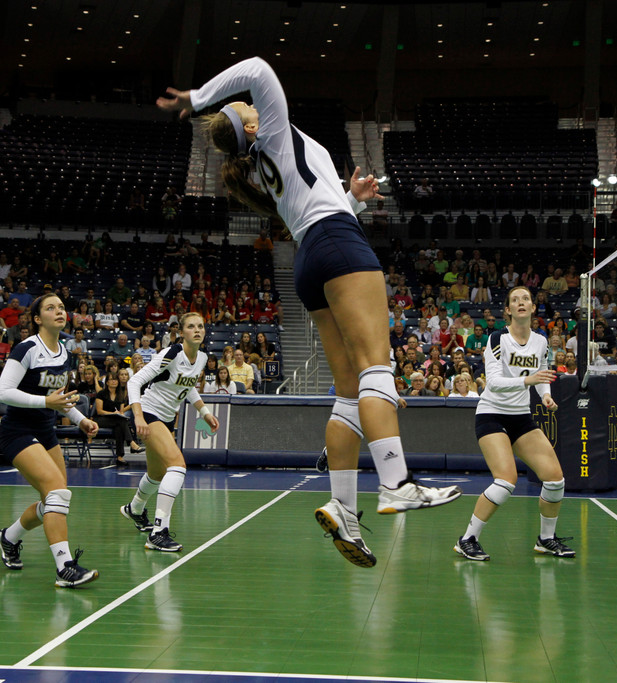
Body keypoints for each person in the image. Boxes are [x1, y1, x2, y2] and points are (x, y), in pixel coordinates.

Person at [157, 57, 460, 568]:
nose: (248, 102)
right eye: (242, 107)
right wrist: (200, 97)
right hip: (336, 245)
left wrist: (353, 201)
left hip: (311, 254)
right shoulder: (269, 128)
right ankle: (396, 484)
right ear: (250, 125)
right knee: (376, 369)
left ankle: (344, 507)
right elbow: (255, 67)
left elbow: (315, 207)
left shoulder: (259, 159)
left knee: (348, 390)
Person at [454, 286, 574, 562]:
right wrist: (529, 381)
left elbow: (542, 376)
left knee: (555, 479)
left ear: (533, 307)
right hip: (492, 414)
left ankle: (545, 539)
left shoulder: (541, 341)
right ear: (508, 310)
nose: (521, 303)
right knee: (506, 480)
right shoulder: (498, 338)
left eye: (526, 299)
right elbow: (494, 382)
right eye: (515, 300)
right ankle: (467, 539)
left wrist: (545, 397)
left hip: (521, 417)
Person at [0, 293, 100, 587]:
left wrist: (81, 420)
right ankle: (65, 568)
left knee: (53, 499)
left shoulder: (64, 352)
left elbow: (60, 400)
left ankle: (8, 537)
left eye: (62, 307)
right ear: (38, 318)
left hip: (46, 431)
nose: (59, 311)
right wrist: (45, 403)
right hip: (18, 431)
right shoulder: (26, 348)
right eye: (51, 308)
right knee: (57, 493)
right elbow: (4, 393)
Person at [121, 312, 219, 552]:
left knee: (156, 474)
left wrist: (204, 412)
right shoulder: (172, 353)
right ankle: (158, 531)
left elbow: (188, 388)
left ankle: (134, 509)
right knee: (178, 466)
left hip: (165, 420)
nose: (197, 330)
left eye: (201, 326)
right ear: (182, 332)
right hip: (149, 414)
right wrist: (138, 416)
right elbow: (134, 382)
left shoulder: (202, 358)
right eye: (191, 326)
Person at [94, 372, 143, 466]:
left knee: (119, 427)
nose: (114, 381)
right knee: (120, 421)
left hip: (115, 420)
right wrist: (113, 413)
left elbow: (121, 411)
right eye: (111, 379)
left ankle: (120, 457)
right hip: (101, 419)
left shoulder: (120, 395)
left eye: (115, 379)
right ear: (107, 382)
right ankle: (131, 443)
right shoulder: (101, 393)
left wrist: (119, 414)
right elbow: (99, 411)